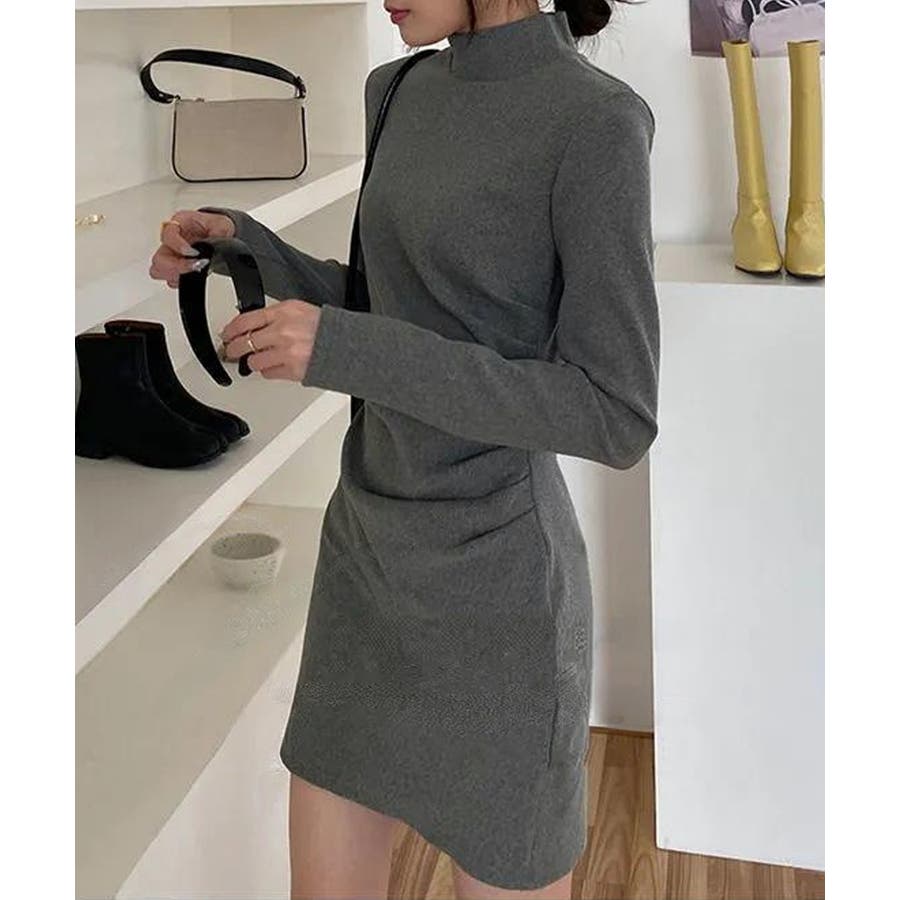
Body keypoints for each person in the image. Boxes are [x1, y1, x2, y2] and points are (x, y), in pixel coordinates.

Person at [149, 1, 659, 897]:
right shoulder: (396, 89)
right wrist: (247, 249)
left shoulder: (596, 121)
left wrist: (346, 351)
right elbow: (397, 304)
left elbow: (614, 411)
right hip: (365, 560)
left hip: (498, 594)